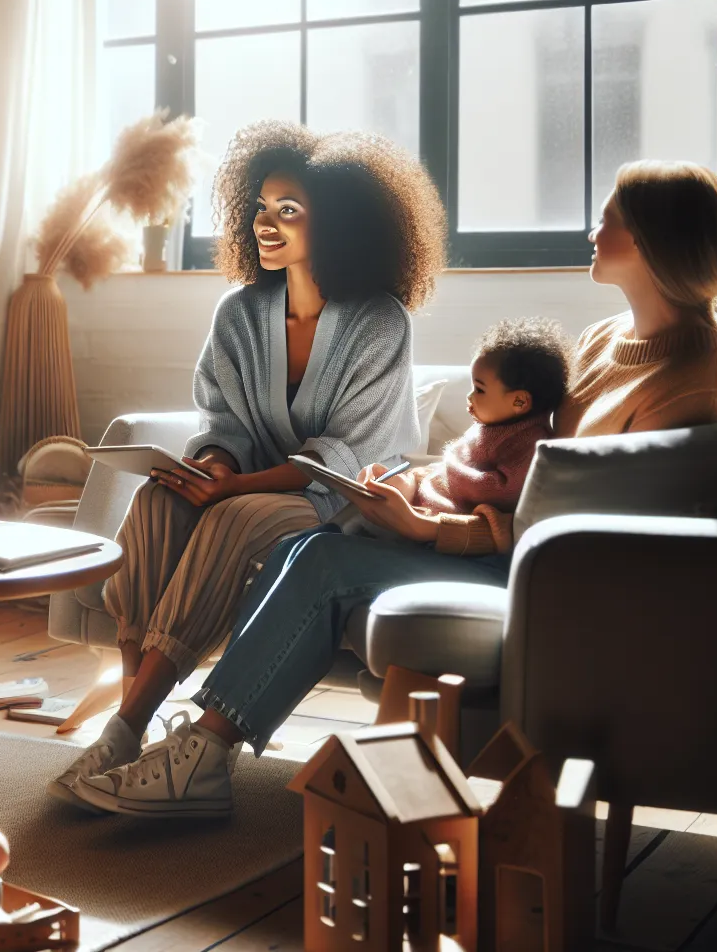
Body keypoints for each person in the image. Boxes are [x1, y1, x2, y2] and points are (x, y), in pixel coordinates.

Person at [70, 160, 717, 818]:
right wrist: (419, 488)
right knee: (302, 551)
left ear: (660, 241)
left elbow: (592, 524)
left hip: (548, 575)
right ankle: (199, 751)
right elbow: (524, 458)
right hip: (502, 546)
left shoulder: (697, 379)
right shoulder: (608, 339)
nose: (592, 231)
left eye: (610, 219)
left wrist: (431, 530)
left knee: (325, 561)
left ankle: (200, 759)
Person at [48, 121, 446, 807]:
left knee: (237, 516)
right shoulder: (239, 312)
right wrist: (206, 465)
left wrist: (237, 485)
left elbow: (343, 456)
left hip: (345, 502)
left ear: (340, 223)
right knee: (156, 502)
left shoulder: (381, 322)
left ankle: (124, 727)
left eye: (288, 210)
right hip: (250, 487)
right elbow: (223, 422)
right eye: (260, 208)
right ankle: (130, 717)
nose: (266, 223)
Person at [404, 318, 568, 515]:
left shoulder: (529, 443)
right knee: (386, 483)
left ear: (519, 402)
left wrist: (449, 467)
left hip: (449, 513)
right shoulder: (489, 425)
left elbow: (501, 492)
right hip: (432, 492)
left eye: (480, 389)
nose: (470, 396)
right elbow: (461, 458)